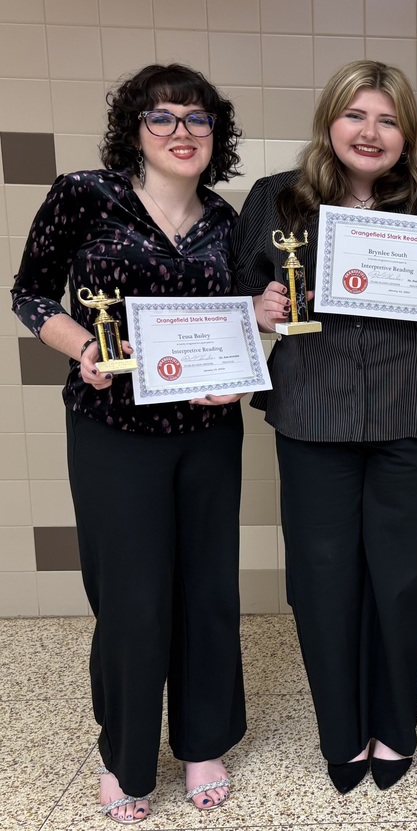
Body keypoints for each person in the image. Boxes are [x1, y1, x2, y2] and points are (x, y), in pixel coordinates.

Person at [231, 60, 417, 795]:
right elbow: (235, 297)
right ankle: (340, 733)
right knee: (321, 581)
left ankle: (395, 725)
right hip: (317, 412)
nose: (370, 132)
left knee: (406, 582)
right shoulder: (276, 201)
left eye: (387, 118)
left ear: (406, 131)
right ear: (330, 123)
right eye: (356, 116)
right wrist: (259, 310)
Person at [11, 63, 247, 824]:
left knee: (207, 587)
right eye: (164, 117)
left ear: (217, 133)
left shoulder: (226, 219)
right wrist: (81, 344)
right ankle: (125, 753)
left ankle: (203, 740)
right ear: (134, 130)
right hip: (114, 429)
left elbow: (242, 318)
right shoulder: (85, 195)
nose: (182, 132)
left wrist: (239, 377)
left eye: (198, 118)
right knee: (132, 595)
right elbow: (30, 291)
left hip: (208, 432)